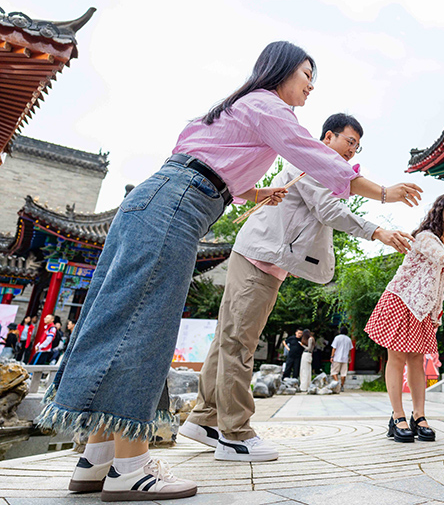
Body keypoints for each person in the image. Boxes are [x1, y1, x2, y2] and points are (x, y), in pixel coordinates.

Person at [35, 41, 423, 502]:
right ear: (279, 70)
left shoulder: (243, 107)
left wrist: (256, 194)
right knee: (144, 326)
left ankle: (96, 458)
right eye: (305, 73)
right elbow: (315, 160)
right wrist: (384, 192)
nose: (311, 85)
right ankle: (131, 468)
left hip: (161, 200)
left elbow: (211, 166)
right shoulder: (268, 106)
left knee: (121, 317)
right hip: (176, 207)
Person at [180, 113, 414, 461]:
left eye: (357, 146)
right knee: (239, 342)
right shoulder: (313, 163)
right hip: (260, 256)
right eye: (349, 141)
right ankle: (235, 433)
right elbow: (329, 210)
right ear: (329, 137)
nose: (352, 150)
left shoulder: (317, 166)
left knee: (228, 339)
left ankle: (203, 419)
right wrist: (378, 231)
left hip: (265, 258)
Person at [366, 193, 444, 443]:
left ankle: (418, 416)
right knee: (396, 358)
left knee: (417, 361)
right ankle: (397, 416)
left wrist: (435, 313)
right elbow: (443, 261)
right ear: (439, 211)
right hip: (401, 299)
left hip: (422, 308)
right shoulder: (425, 237)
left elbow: (439, 281)